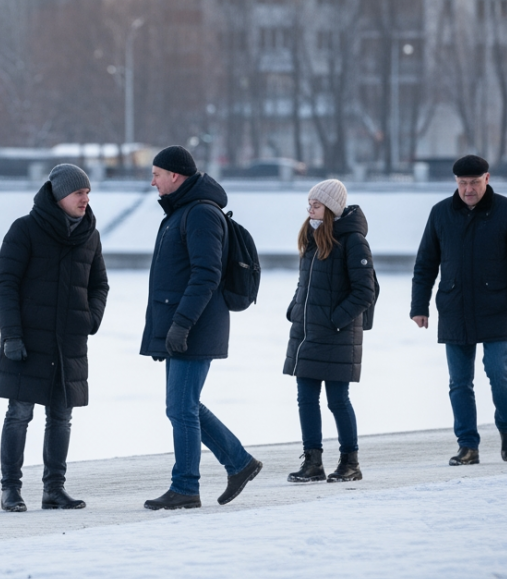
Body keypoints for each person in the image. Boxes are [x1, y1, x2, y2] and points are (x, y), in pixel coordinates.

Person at [140, 145, 262, 510]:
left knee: (180, 407)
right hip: (187, 325)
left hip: (195, 325)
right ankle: (239, 462)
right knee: (183, 405)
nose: (153, 181)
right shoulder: (184, 212)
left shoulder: (200, 214)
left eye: (157, 174)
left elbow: (206, 275)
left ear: (175, 176)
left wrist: (181, 325)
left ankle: (186, 487)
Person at [0, 164, 109, 512]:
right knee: (19, 414)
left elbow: (99, 284)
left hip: (69, 342)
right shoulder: (25, 230)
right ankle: (11, 489)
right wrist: (11, 335)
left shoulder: (90, 235)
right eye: (79, 193)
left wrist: (91, 318)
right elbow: (5, 284)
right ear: (59, 195)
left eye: (88, 193)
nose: (85, 199)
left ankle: (54, 489)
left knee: (61, 416)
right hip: (28, 343)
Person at [410, 155, 507, 466]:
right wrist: (419, 305)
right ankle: (468, 445)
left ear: (487, 179)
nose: (468, 189)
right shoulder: (441, 213)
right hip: (454, 308)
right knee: (459, 382)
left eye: (474, 183)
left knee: (499, 372)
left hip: (495, 307)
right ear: (456, 182)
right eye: (463, 183)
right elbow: (425, 264)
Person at [284, 179, 376, 483]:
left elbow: (365, 292)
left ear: (332, 208)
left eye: (316, 204)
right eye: (310, 203)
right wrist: (295, 309)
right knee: (305, 398)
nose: (310, 208)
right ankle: (313, 463)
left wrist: (336, 320)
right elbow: (306, 285)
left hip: (337, 334)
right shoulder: (312, 237)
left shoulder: (353, 241)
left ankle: (350, 462)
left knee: (338, 400)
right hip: (307, 332)